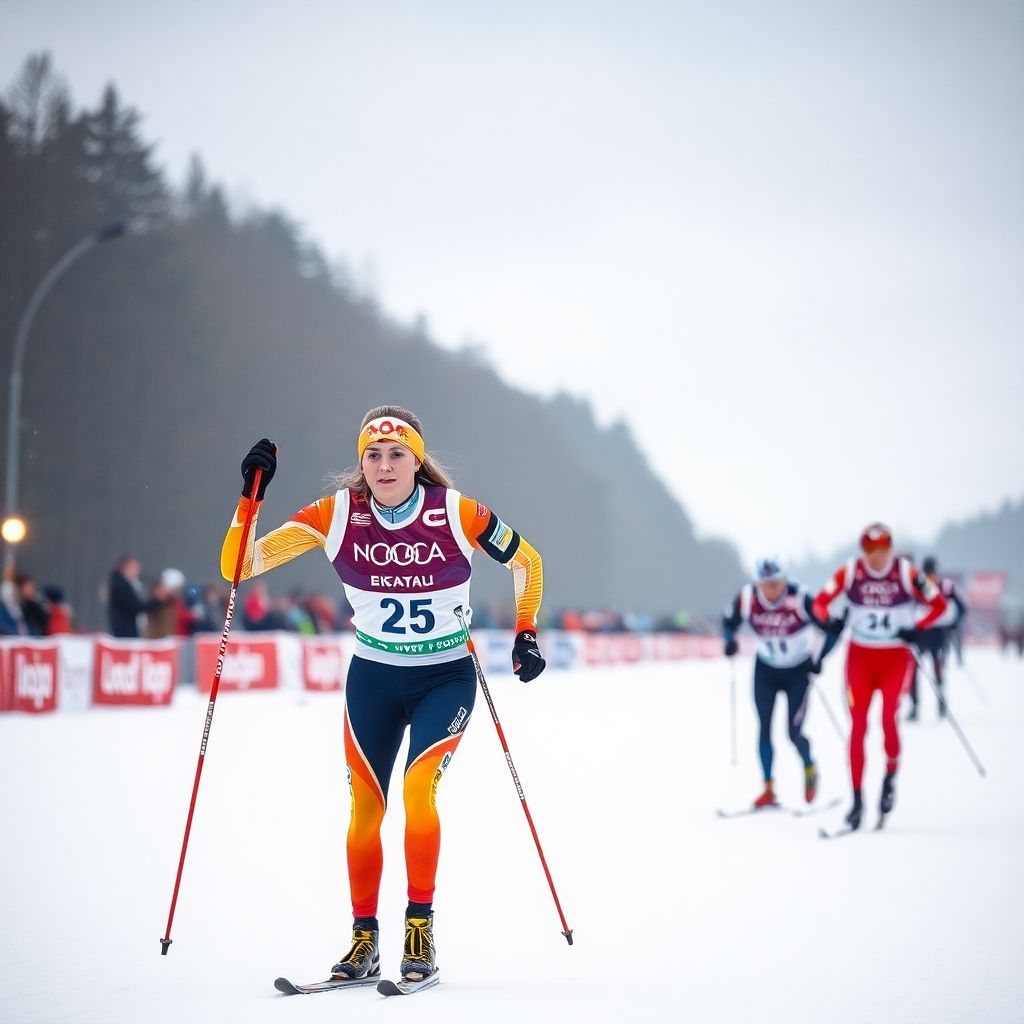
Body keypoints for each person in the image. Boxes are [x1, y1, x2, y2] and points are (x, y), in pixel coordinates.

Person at [220, 406, 546, 986]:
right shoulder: (335, 515)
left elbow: (528, 562)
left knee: (419, 792)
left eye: (397, 454)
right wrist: (250, 498)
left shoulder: (457, 512)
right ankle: (363, 939)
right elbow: (238, 566)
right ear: (361, 462)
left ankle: (419, 929)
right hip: (372, 678)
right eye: (373, 454)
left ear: (416, 460)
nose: (384, 464)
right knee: (365, 812)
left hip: (444, 678)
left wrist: (526, 631)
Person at [812, 524, 947, 830]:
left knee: (888, 718)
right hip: (859, 658)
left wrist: (917, 627)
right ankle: (857, 800)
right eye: (870, 551)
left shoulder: (906, 572)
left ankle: (889, 777)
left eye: (882, 550)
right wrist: (829, 622)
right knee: (858, 725)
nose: (876, 557)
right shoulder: (851, 572)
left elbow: (938, 603)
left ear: (890, 549)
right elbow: (820, 603)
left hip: (894, 659)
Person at [722, 556, 844, 809]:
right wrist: (729, 640)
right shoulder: (747, 598)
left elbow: (833, 628)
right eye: (765, 584)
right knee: (764, 726)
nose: (770, 590)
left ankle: (809, 766)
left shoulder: (800, 598)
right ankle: (768, 788)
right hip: (765, 670)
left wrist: (819, 659)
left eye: (775, 584)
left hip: (797, 672)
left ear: (784, 580)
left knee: (793, 732)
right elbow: (728, 621)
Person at [906, 556, 966, 721]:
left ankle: (941, 703)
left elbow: (962, 608)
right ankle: (914, 706)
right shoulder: (917, 587)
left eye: (932, 573)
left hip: (938, 634)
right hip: (920, 635)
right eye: (927, 573)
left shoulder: (946, 587)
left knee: (938, 669)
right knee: (914, 671)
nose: (930, 577)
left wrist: (953, 623)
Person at [106, 556, 166, 638]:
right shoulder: (122, 586)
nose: (137, 571)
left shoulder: (125, 584)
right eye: (134, 568)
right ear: (126, 568)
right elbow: (135, 606)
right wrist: (156, 600)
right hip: (125, 631)